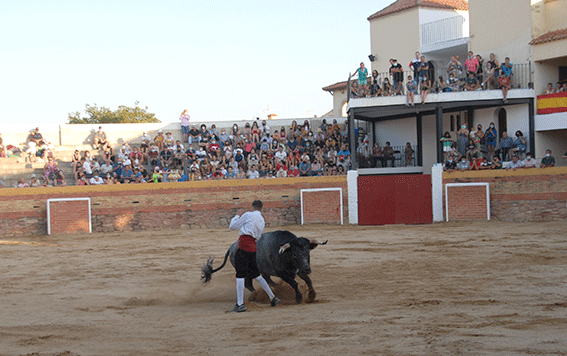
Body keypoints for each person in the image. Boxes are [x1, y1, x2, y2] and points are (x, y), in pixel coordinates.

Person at [228, 200, 280, 312]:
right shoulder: (262, 220)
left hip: (243, 246)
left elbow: (232, 226)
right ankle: (273, 297)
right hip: (253, 248)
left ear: (252, 208)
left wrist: (237, 215)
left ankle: (240, 304)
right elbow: (258, 237)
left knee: (240, 275)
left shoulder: (248, 215)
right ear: (262, 209)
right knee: (256, 274)